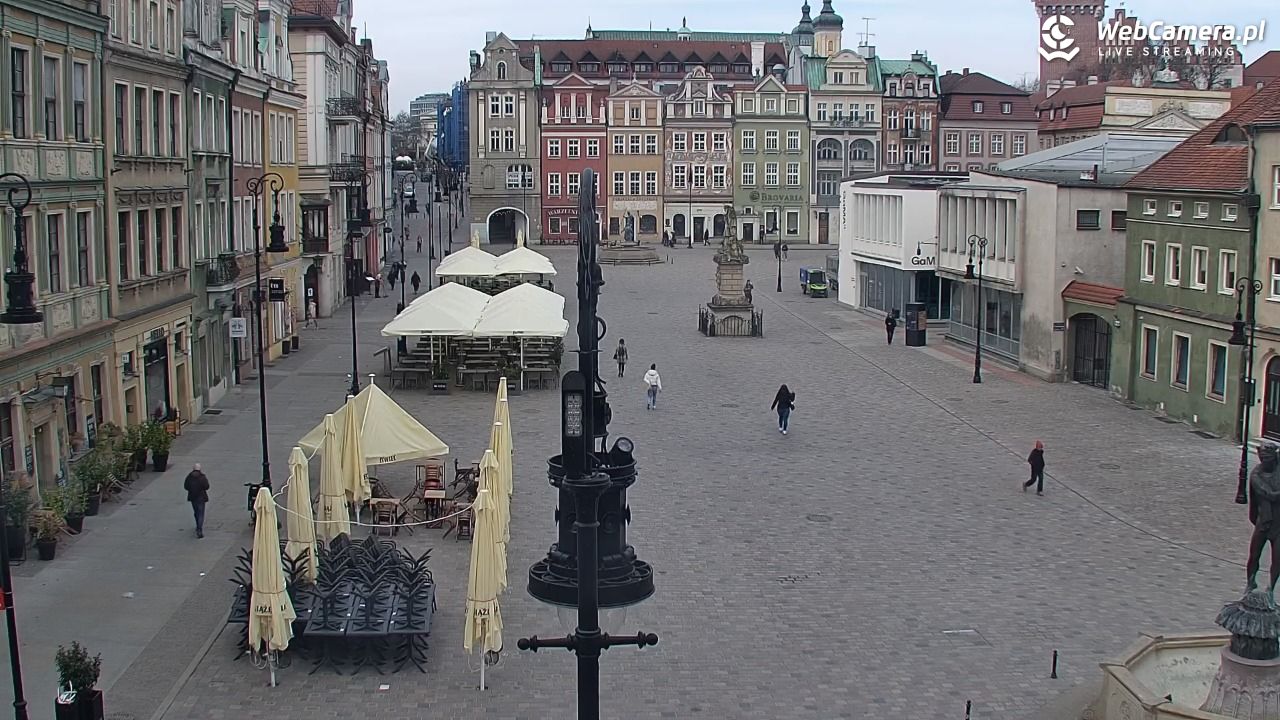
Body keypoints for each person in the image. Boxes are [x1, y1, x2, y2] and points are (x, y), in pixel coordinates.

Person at [1248, 443, 1280, 596]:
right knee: (1254, 555)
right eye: (1262, 458)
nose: (1264, 461)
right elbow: (1270, 495)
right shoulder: (1256, 475)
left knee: (1278, 559)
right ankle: (1250, 583)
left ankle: (1271, 589)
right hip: (1264, 521)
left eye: (1267, 458)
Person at [184, 464, 210, 538]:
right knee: (201, 513)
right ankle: (199, 529)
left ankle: (197, 525)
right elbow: (207, 486)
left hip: (193, 497)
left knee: (196, 512)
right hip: (201, 498)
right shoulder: (202, 477)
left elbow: (185, 486)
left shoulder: (189, 477)